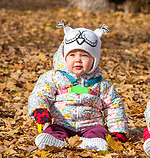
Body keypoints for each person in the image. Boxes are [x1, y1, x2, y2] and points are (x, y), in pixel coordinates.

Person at [28, 21, 128, 150]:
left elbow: (114, 106)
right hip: (61, 123)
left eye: (84, 55)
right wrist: (39, 109)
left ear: (94, 60)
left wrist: (118, 130)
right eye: (72, 55)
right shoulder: (54, 78)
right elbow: (40, 93)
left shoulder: (101, 84)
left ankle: (93, 142)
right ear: (64, 57)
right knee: (54, 131)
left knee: (98, 132)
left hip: (91, 125)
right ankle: (53, 141)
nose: (78, 59)